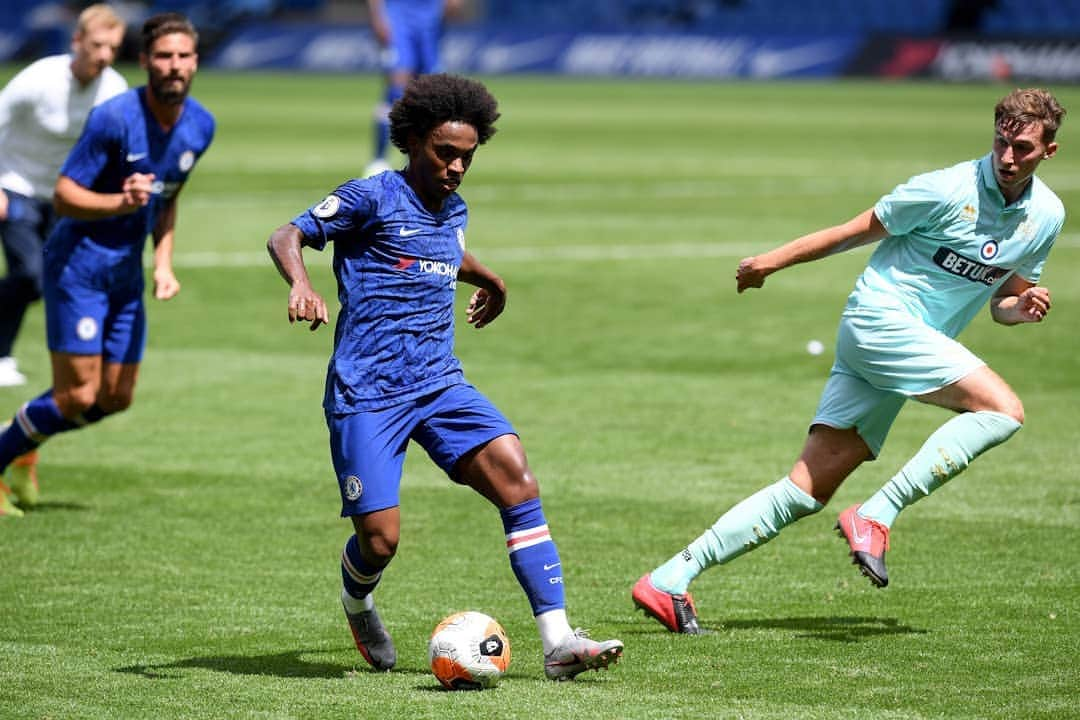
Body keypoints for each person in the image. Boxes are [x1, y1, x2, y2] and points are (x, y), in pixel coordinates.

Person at [632, 88, 1065, 633]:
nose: (1007, 157)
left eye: (1021, 148)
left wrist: (1019, 309)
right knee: (1003, 410)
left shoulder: (1046, 215)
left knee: (804, 491)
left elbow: (1004, 300)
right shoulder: (943, 189)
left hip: (904, 346)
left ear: (1048, 151)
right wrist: (769, 262)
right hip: (880, 322)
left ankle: (670, 578)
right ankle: (876, 513)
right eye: (1001, 142)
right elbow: (849, 233)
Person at [268, 73, 624, 680]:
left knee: (518, 480)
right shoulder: (371, 196)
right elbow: (288, 234)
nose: (457, 166)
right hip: (368, 392)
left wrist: (489, 277)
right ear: (411, 141)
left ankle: (559, 641)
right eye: (445, 153)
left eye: (467, 155)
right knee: (380, 541)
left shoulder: (454, 207)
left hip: (438, 382)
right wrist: (302, 283)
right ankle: (358, 600)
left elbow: (442, 249)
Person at [0, 13, 215, 519]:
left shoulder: (201, 124)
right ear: (144, 62)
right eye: (163, 56)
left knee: (116, 398)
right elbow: (65, 194)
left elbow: (167, 198)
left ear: (196, 62)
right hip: (78, 266)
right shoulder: (114, 117)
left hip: (126, 274)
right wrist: (120, 203)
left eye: (183, 56)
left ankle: (29, 435)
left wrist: (163, 263)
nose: (174, 66)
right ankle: (7, 452)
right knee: (76, 393)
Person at [0, 4, 129, 389]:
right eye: (97, 45)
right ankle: (2, 355)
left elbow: (116, 149)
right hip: (15, 184)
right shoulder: (39, 79)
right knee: (29, 277)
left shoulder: (115, 89)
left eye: (113, 47)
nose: (104, 55)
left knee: (68, 279)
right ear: (77, 41)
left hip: (66, 196)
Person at [364, 0, 462, 177]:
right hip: (398, 18)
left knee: (431, 93)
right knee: (397, 88)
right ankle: (379, 159)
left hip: (431, 20)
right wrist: (377, 17)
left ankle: (417, 158)